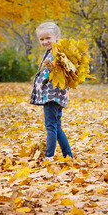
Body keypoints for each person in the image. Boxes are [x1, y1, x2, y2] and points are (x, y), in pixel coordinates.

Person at [30, 22, 73, 160]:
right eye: (41, 39)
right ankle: (68, 156)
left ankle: (49, 157)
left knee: (51, 126)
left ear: (57, 36)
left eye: (48, 38)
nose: (45, 41)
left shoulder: (58, 54)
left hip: (53, 95)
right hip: (49, 95)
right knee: (56, 126)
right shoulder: (48, 53)